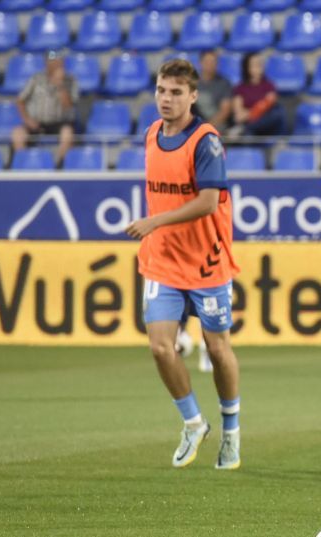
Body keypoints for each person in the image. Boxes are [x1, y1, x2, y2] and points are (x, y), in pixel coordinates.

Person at [126, 59, 242, 470]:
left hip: (207, 263)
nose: (166, 99)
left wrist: (154, 221)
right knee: (160, 346)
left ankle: (231, 430)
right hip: (162, 262)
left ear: (193, 96)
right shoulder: (152, 134)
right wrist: (157, 229)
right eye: (161, 90)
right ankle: (194, 422)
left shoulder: (206, 141)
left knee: (217, 347)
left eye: (176, 92)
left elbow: (208, 202)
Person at [12, 50, 78, 166]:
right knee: (18, 134)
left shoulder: (71, 80)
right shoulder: (36, 79)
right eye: (52, 60)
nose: (55, 63)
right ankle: (21, 166)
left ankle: (59, 167)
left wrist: (60, 85)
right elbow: (20, 100)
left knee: (67, 134)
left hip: (60, 123)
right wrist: (28, 120)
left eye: (58, 60)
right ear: (46, 62)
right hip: (36, 123)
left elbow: (68, 106)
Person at [231, 52, 283, 137]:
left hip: (267, 124)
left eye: (260, 63)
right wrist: (257, 110)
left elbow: (269, 102)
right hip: (251, 126)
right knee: (248, 134)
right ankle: (246, 129)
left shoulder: (269, 85)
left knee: (278, 112)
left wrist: (251, 113)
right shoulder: (240, 88)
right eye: (255, 64)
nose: (259, 66)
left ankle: (245, 128)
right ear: (247, 67)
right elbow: (239, 114)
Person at [194, 50, 233, 132]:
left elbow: (225, 110)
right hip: (196, 125)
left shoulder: (224, 83)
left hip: (218, 126)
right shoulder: (192, 83)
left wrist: (207, 127)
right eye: (207, 62)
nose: (210, 65)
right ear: (200, 63)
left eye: (213, 62)